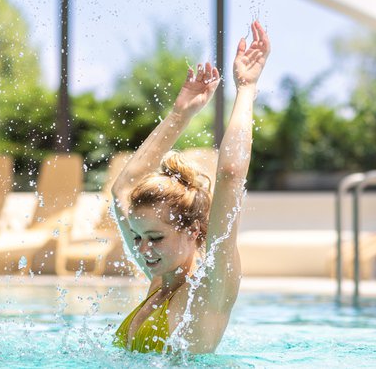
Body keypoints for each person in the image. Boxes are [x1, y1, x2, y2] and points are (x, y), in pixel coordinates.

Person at [111, 20, 271, 354]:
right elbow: (122, 188)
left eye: (155, 238)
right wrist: (181, 114)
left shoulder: (211, 287)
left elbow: (229, 174)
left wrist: (245, 89)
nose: (142, 250)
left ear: (196, 233)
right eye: (139, 237)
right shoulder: (159, 277)